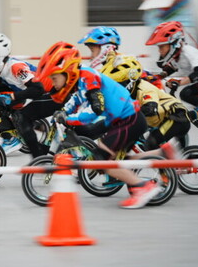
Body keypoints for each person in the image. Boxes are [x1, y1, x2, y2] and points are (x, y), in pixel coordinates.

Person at [36, 41, 180, 209]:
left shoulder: (88, 77)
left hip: (129, 120)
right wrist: (64, 112)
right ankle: (163, 152)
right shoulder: (81, 80)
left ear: (67, 70)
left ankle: (142, 187)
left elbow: (95, 109)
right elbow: (77, 100)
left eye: (54, 78)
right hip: (125, 120)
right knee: (119, 160)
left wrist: (69, 119)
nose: (53, 83)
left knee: (101, 159)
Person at [0, 27, 61, 156]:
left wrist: (12, 96)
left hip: (54, 92)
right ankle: (9, 139)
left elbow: (37, 89)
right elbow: (11, 85)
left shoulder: (16, 68)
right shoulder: (2, 70)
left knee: (21, 117)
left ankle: (38, 158)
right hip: (36, 93)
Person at [100, 54, 190, 150]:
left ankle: (172, 163)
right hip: (160, 120)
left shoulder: (144, 88)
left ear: (129, 82)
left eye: (118, 85)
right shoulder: (129, 93)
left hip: (177, 118)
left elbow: (150, 108)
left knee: (151, 144)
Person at [145, 21, 198, 124]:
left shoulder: (188, 52)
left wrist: (178, 82)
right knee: (187, 94)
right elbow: (170, 69)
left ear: (174, 43)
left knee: (186, 93)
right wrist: (156, 77)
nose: (160, 51)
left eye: (161, 47)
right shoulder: (176, 56)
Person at [78, 26, 163, 88]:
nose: (91, 56)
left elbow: (151, 79)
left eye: (92, 50)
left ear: (106, 47)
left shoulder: (123, 63)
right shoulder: (104, 66)